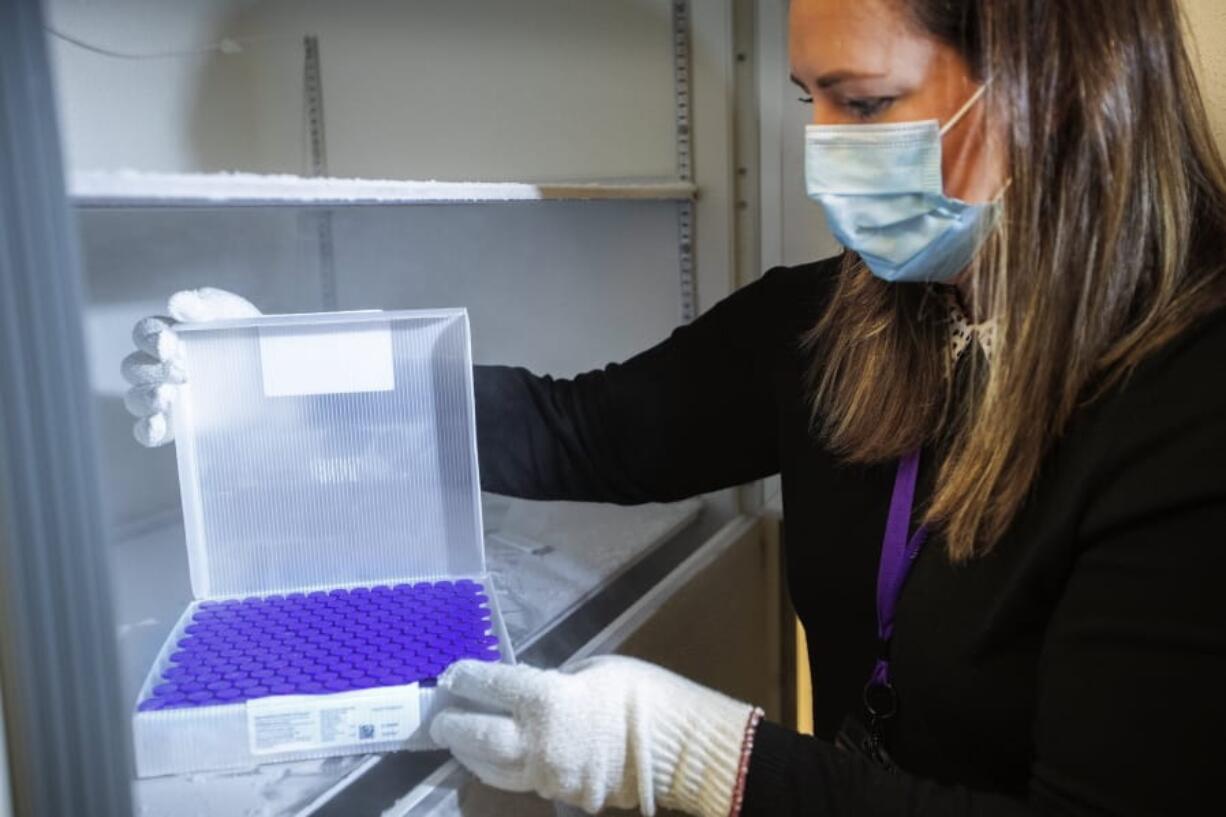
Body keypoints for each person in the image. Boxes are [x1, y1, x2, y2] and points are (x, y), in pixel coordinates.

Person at [121, 0, 1226, 814]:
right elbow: (582, 430)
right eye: (811, 104)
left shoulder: (1187, 390)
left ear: (1054, 83)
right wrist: (277, 377)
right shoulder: (833, 324)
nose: (826, 152)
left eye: (865, 102)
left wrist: (688, 753)